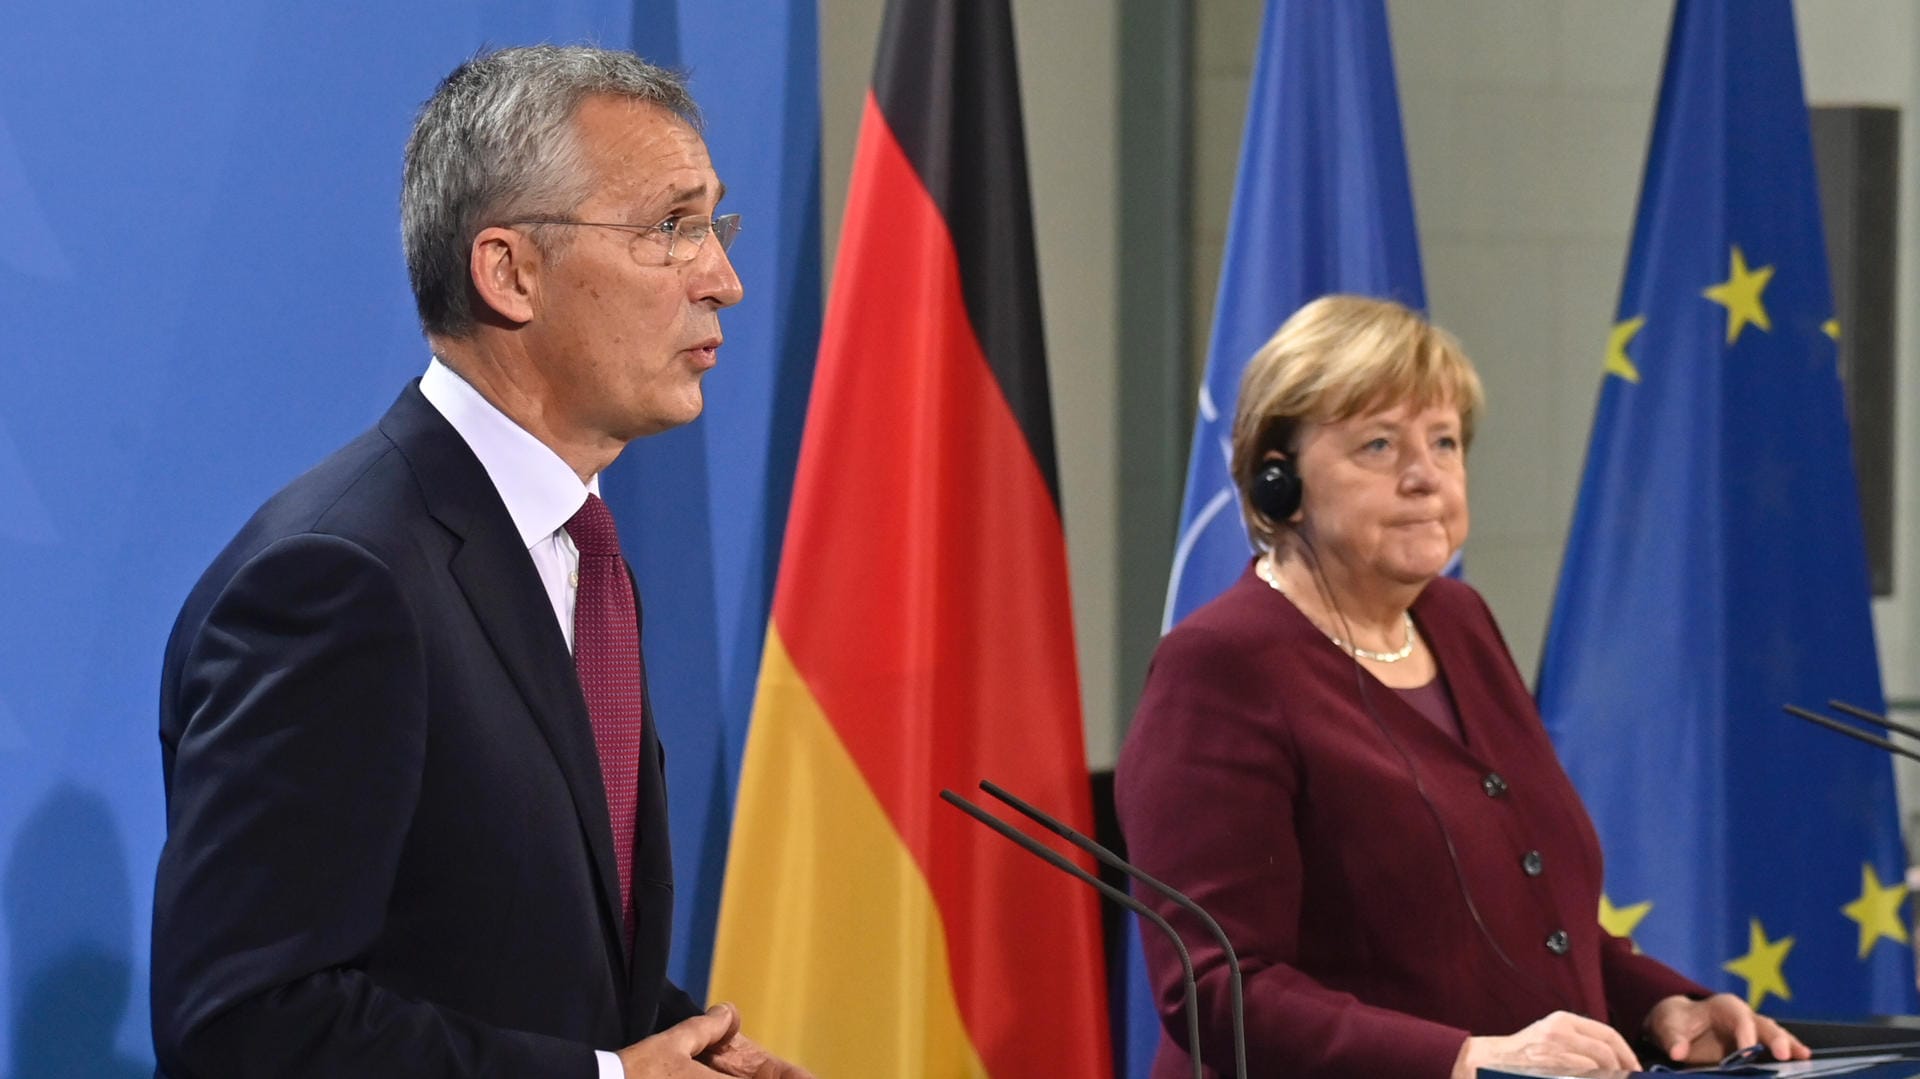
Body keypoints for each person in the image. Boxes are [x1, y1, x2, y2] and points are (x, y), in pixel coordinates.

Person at [151, 46, 810, 1079]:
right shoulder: (337, 579)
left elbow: (505, 948)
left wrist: (689, 1048)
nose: (722, 278)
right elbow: (249, 1025)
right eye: (670, 228)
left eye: (713, 224)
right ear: (509, 272)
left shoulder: (577, 552)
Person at [1116, 295, 1810, 1079]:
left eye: (1444, 442)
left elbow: (1540, 924)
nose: (1425, 476)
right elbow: (1216, 988)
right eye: (1378, 445)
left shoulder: (1459, 620)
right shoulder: (1220, 665)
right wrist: (1462, 1058)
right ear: (1281, 484)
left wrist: (1663, 1008)